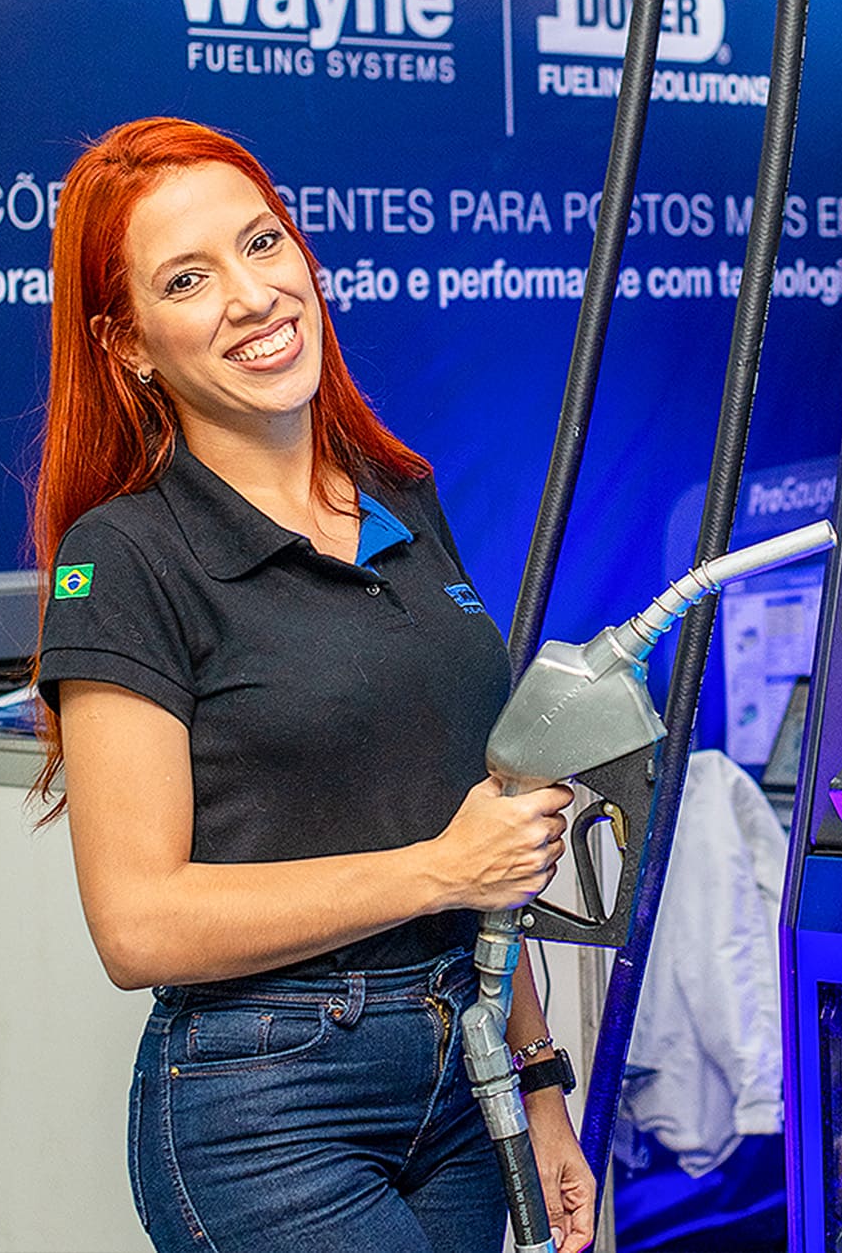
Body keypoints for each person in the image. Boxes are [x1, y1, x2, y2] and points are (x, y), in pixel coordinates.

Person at [30, 117, 595, 1253]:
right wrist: (438, 869)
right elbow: (137, 924)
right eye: (187, 279)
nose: (252, 297)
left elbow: (477, 829)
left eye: (262, 243)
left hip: (467, 1069)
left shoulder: (398, 493)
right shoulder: (126, 557)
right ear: (128, 342)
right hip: (270, 1103)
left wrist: (538, 1083)